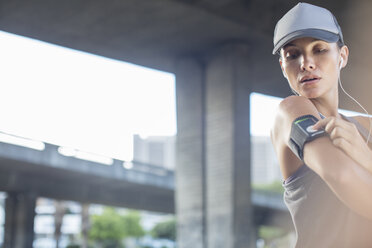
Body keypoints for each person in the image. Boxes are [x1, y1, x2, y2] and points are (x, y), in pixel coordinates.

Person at [270, 2, 372, 247]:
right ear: (283, 66)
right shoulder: (291, 112)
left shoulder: (366, 127)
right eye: (292, 54)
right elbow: (342, 175)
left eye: (320, 49)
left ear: (342, 56)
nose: (306, 63)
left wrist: (366, 157)